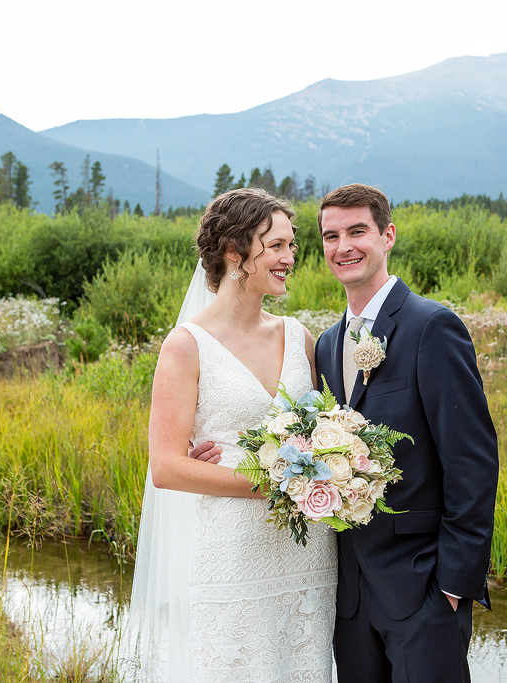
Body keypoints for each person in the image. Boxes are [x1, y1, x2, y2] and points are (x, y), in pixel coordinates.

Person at [127, 187, 337, 683]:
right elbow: (167, 467)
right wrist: (279, 483)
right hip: (232, 555)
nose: (290, 259)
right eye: (277, 246)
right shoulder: (186, 347)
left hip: (307, 553)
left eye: (292, 247)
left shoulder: (298, 335)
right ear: (233, 251)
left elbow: (327, 428)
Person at [316, 184, 498, 683]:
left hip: (424, 590)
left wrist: (453, 585)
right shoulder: (328, 345)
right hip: (350, 597)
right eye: (331, 236)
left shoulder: (431, 326)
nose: (344, 246)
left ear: (387, 235)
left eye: (358, 231)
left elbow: (472, 461)